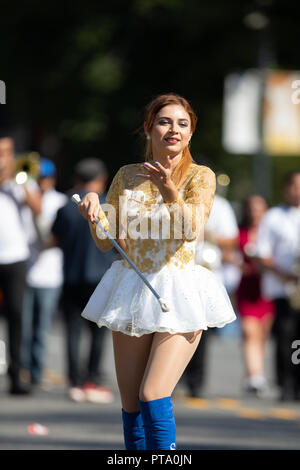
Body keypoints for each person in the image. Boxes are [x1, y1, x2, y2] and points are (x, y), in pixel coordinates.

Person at [76, 93, 236, 450]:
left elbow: (191, 227)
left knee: (153, 393)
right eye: (165, 121)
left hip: (179, 290)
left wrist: (169, 191)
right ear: (149, 129)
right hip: (131, 288)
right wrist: (94, 211)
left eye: (183, 124)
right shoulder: (125, 175)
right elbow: (108, 242)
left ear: (191, 133)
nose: (173, 130)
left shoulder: (200, 176)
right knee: (131, 405)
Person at [52, 158, 118, 403]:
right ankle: (92, 379)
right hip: (100, 277)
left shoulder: (65, 206)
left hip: (71, 275)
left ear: (77, 178)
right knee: (98, 331)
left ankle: (74, 382)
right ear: (101, 179)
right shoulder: (108, 205)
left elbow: (54, 239)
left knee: (72, 330)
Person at [182, 191, 240, 398]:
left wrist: (206, 232)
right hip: (176, 272)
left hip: (204, 271)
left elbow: (232, 239)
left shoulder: (221, 205)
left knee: (198, 329)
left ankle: (195, 382)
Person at [0, 134, 42, 394]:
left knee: (17, 315)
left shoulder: (21, 180)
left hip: (15, 257)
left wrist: (19, 182)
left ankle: (17, 374)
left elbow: (37, 208)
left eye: (6, 152)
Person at [21, 158, 68, 387]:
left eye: (45, 178)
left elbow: (50, 239)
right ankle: (22, 369)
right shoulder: (22, 198)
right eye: (38, 179)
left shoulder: (59, 201)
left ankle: (36, 371)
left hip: (50, 275)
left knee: (41, 329)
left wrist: (34, 206)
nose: (42, 183)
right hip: (24, 271)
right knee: (23, 326)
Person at [255, 171, 300, 402]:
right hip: (284, 289)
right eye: (294, 186)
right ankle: (286, 384)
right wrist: (284, 274)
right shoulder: (274, 216)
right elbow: (262, 252)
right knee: (287, 338)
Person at [236, 194, 275, 397]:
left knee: (262, 335)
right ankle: (255, 376)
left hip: (267, 288)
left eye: (259, 208)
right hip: (247, 287)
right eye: (251, 208)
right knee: (250, 332)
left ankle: (255, 372)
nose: (255, 213)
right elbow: (230, 254)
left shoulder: (271, 232)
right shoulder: (240, 232)